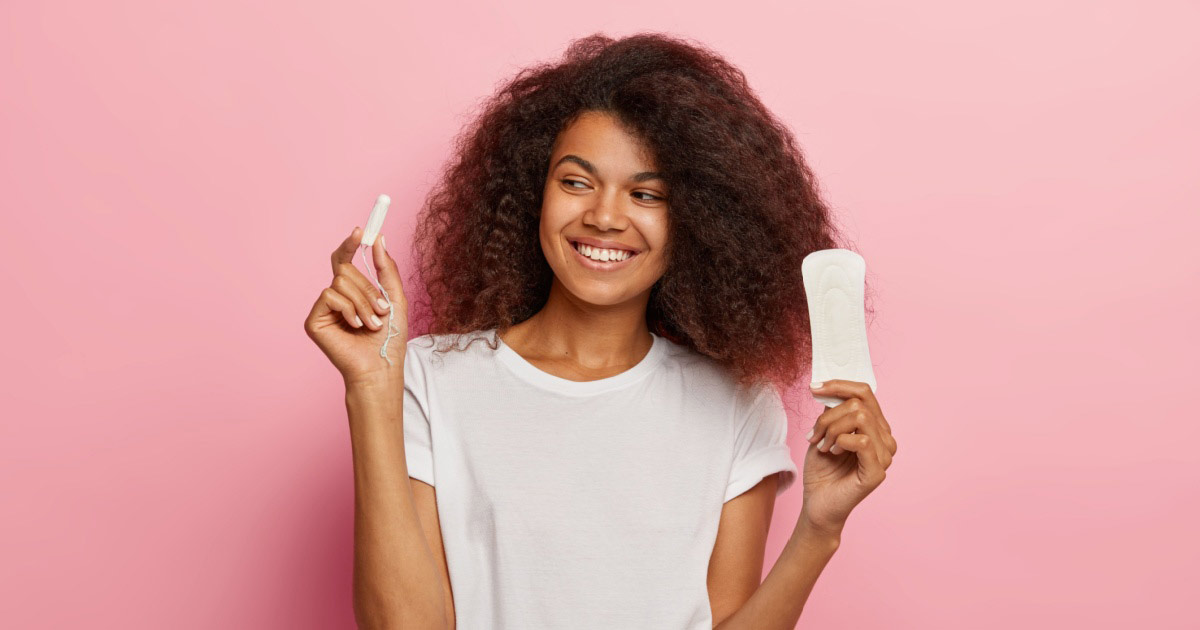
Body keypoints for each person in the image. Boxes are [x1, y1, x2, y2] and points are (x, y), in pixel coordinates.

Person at [305, 32, 897, 630]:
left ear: (698, 220)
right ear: (531, 192)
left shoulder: (739, 403)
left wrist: (820, 530)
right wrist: (371, 389)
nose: (605, 217)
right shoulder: (432, 381)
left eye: (645, 194)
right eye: (575, 182)